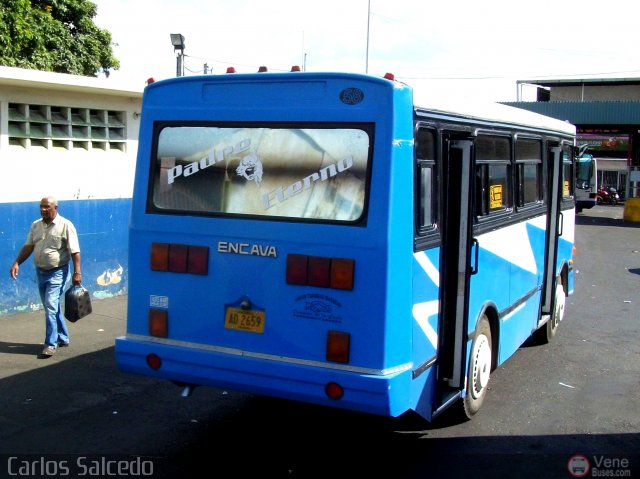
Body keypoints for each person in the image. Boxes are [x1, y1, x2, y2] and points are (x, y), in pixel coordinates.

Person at [9, 196, 82, 358]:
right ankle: (63, 337)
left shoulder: (66, 225)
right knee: (52, 306)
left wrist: (77, 272)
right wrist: (17, 262)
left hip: (58, 272)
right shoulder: (36, 225)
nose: (43, 209)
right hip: (40, 272)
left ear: (56, 207)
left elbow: (75, 251)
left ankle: (50, 344)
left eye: (47, 207)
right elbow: (29, 246)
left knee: (50, 305)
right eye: (41, 207)